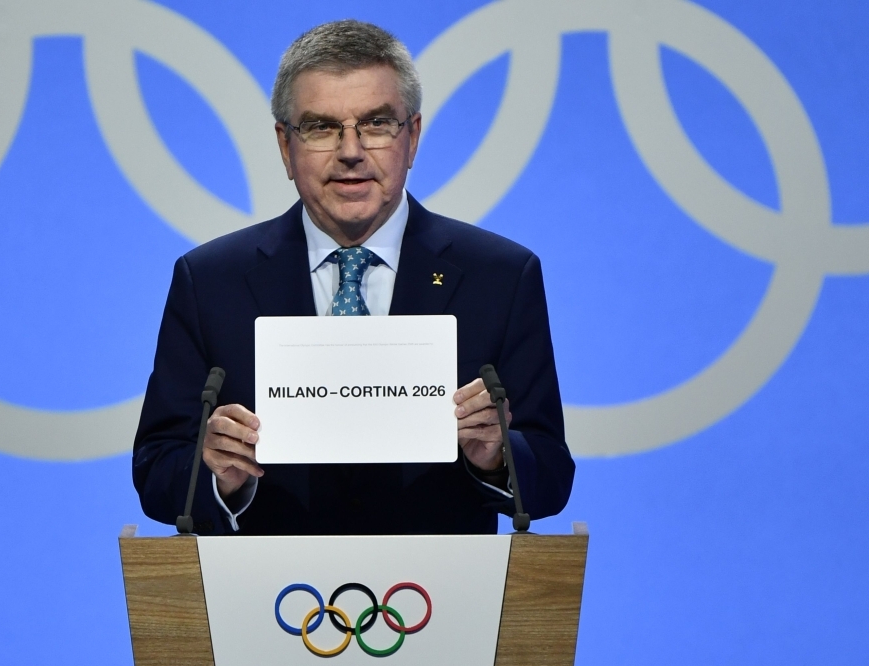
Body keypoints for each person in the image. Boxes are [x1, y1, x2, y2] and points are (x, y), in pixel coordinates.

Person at [133, 20, 574, 535]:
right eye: (321, 127)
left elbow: (551, 476)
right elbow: (156, 472)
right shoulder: (210, 281)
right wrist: (216, 475)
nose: (350, 151)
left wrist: (494, 458)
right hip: (270, 600)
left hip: (438, 599)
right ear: (284, 146)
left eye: (377, 123)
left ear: (412, 137)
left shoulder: (500, 276)